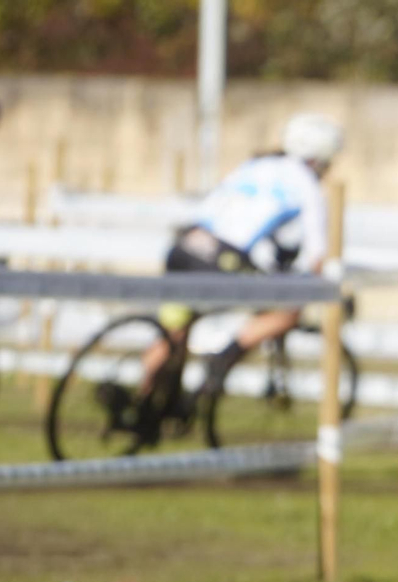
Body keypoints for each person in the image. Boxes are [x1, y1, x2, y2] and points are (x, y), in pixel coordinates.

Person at [141, 112, 343, 391]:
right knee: (288, 311)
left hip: (185, 247)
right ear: (321, 160)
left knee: (174, 333)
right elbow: (317, 255)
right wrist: (326, 287)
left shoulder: (255, 165)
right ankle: (223, 357)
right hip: (221, 258)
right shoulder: (308, 186)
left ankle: (140, 406)